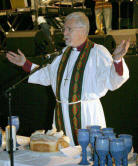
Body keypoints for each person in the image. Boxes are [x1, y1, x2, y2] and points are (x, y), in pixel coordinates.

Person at [6, 12, 130, 146]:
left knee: (88, 157)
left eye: (68, 29)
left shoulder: (97, 52)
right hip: (62, 114)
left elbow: (113, 80)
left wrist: (117, 60)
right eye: (64, 29)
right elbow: (48, 75)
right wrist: (25, 63)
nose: (64, 33)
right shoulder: (63, 53)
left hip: (86, 116)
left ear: (82, 30)